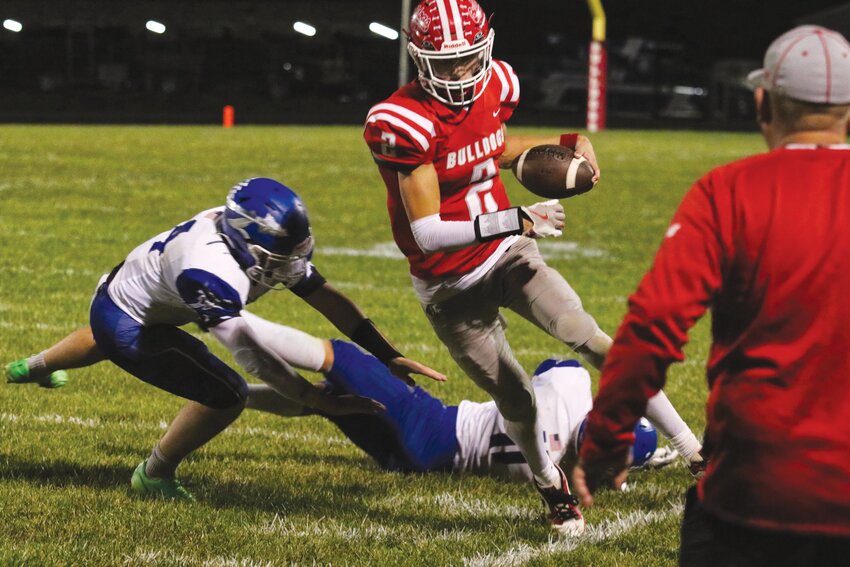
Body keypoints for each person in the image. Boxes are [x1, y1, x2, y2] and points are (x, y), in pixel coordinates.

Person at [362, 0, 677, 535]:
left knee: (589, 335)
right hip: (450, 282)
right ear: (419, 60)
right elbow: (428, 234)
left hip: (506, 255)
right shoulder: (403, 122)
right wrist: (514, 218)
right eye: (446, 63)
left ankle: (693, 448)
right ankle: (547, 483)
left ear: (485, 50)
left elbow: (499, 146)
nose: (461, 74)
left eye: (468, 60)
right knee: (515, 399)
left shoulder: (497, 85)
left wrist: (567, 145)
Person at [572, 25, 850, 566]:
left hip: (750, 492)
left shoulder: (727, 193)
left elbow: (653, 325)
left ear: (762, 102)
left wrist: (607, 440)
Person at [7, 177, 444, 502]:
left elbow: (323, 296)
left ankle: (33, 367)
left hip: (124, 292)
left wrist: (387, 354)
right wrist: (315, 399)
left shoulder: (244, 235)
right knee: (227, 394)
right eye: (281, 256)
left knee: (105, 335)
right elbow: (252, 357)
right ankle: (154, 474)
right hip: (126, 319)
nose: (291, 264)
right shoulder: (210, 271)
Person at [238, 314, 696, 487]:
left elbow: (556, 369)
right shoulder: (578, 477)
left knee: (340, 357)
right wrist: (646, 453)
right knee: (330, 400)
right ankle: (238, 397)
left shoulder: (570, 389)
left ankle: (232, 317)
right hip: (413, 460)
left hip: (433, 426)